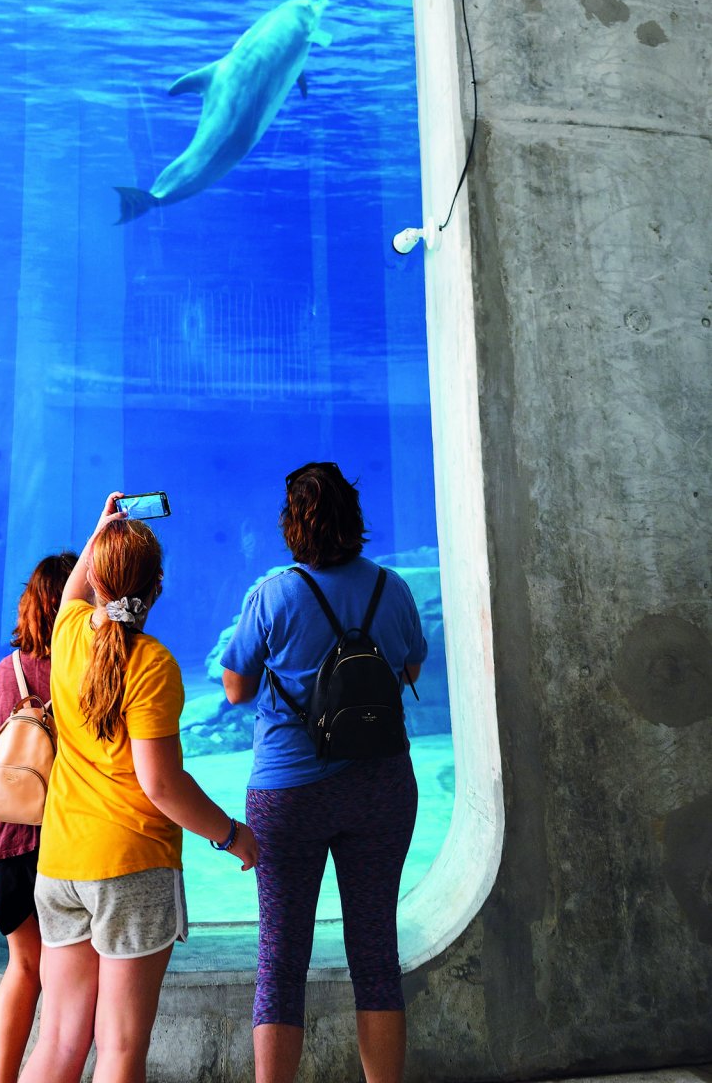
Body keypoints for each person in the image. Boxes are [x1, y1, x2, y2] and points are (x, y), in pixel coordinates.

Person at [19, 493, 258, 1083]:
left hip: (60, 866)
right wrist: (231, 835)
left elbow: (77, 590)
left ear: (96, 576)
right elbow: (161, 782)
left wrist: (102, 529)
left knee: (57, 1041)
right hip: (131, 870)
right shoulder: (152, 663)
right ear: (157, 588)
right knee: (120, 1049)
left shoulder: (68, 634)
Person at [221, 461, 427, 1083]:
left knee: (281, 960)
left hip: (289, 793)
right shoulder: (391, 588)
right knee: (375, 955)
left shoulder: (273, 595)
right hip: (382, 787)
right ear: (355, 520)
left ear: (291, 525)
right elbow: (410, 670)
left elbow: (235, 688)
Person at [0, 550, 76, 1083]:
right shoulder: (79, 667)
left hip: (2, 841)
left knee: (23, 966)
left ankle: (5, 1078)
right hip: (60, 839)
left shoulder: (4, 671)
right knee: (66, 974)